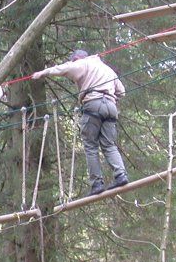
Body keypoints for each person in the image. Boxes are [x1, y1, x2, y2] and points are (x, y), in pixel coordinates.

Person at [31, 48, 129, 196]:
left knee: (90, 145)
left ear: (76, 58)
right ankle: (121, 175)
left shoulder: (83, 63)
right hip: (110, 107)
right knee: (109, 144)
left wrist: (43, 73)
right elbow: (121, 91)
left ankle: (97, 183)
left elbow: (64, 68)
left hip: (93, 105)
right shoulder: (107, 69)